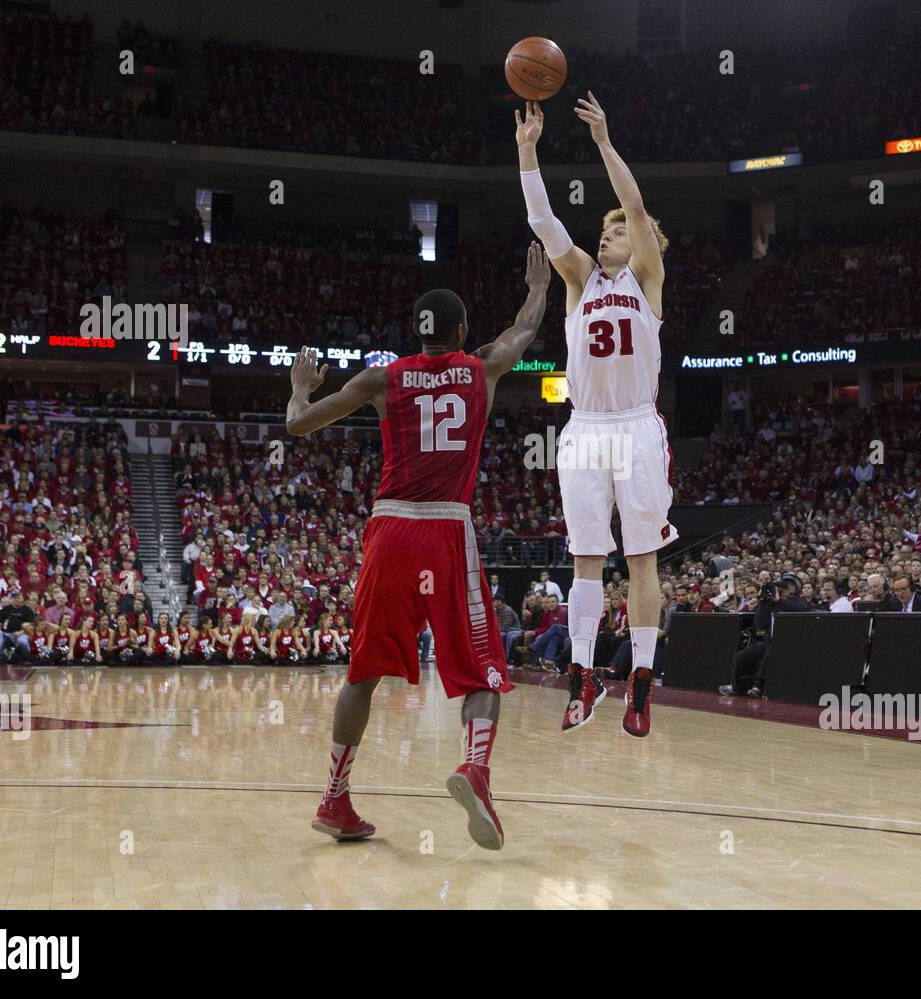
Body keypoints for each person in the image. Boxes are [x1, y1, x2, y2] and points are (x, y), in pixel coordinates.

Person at [287, 241, 549, 849]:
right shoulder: (482, 367)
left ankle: (335, 798)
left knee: (363, 672)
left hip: (388, 528)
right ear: (460, 331)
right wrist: (536, 288)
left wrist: (300, 386)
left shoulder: (383, 378)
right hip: (444, 527)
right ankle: (475, 769)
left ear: (416, 333)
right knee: (482, 667)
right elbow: (524, 330)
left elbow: (298, 424)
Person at [517, 94, 674, 738]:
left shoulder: (648, 279)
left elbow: (635, 208)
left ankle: (640, 678)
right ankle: (582, 676)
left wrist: (604, 141)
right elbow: (546, 223)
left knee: (641, 561)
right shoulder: (580, 280)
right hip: (585, 428)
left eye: (616, 233)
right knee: (585, 558)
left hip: (637, 425)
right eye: (605, 232)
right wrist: (528, 151)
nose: (606, 236)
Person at [719, 575, 807, 697]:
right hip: (768, 641)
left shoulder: (798, 602)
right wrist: (763, 602)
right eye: (777, 589)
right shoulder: (769, 603)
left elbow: (800, 609)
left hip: (787, 643)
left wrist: (779, 601)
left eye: (782, 589)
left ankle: (757, 687)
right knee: (740, 656)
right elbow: (760, 624)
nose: (779, 591)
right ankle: (738, 687)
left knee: (769, 654)